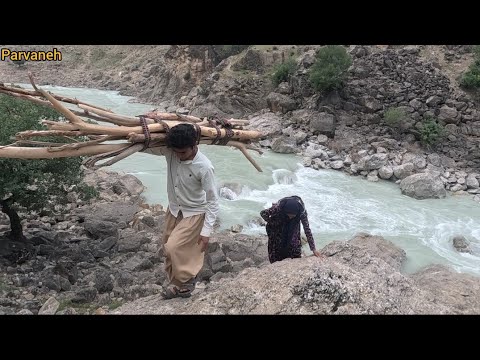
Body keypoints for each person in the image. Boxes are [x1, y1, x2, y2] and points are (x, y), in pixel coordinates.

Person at [144, 123, 219, 299]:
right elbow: (146, 147)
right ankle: (176, 285)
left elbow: (213, 200)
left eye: (183, 152)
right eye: (176, 152)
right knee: (167, 248)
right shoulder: (172, 152)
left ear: (195, 146)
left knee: (174, 247)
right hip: (175, 209)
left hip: (194, 211)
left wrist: (206, 231)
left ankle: (188, 280)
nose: (179, 156)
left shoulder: (205, 167)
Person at [260, 195, 321, 263]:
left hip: (293, 225)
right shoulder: (278, 207)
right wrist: (273, 222)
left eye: (292, 216)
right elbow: (263, 213)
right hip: (279, 223)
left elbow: (307, 229)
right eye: (289, 215)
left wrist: (313, 249)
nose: (290, 217)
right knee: (276, 246)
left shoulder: (302, 212)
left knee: (294, 244)